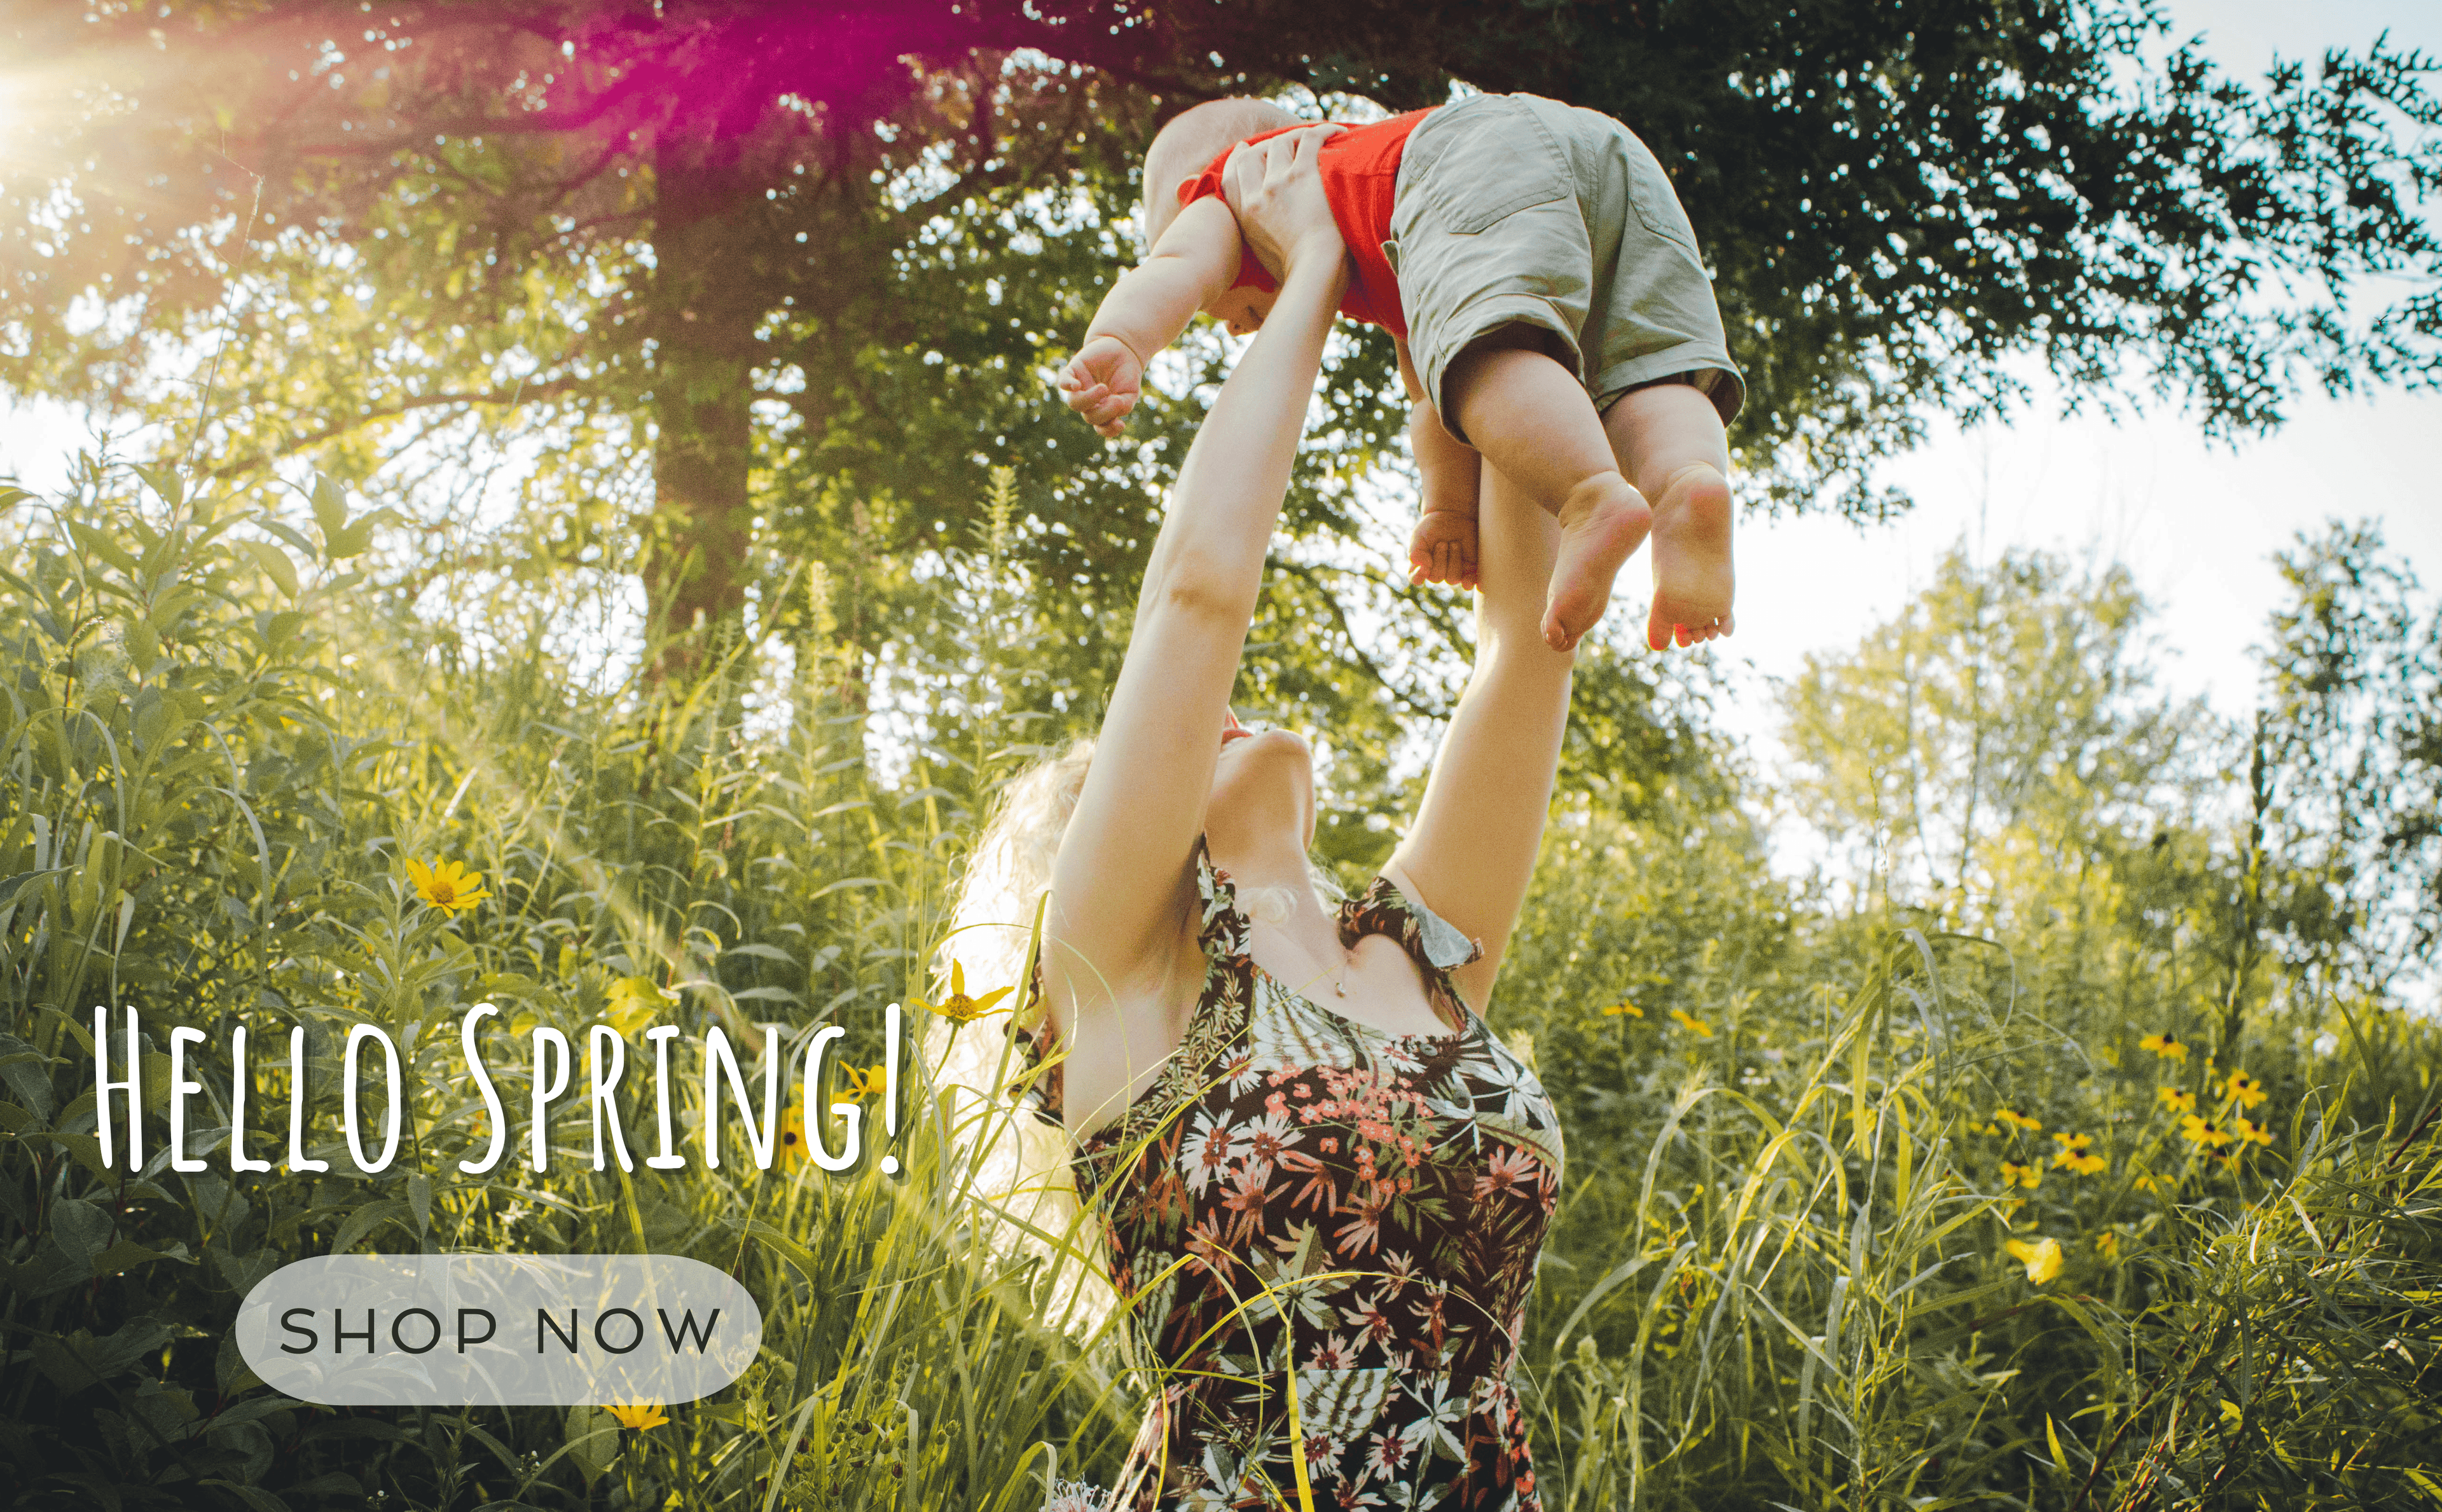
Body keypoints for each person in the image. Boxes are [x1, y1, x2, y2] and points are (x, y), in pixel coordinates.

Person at [970, 127, 1571, 1511]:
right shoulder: (1121, 964)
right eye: (1197, 726)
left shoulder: (1417, 957)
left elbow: (1531, 653)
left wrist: (1477, 290)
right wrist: (1307, 271)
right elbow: (1199, 590)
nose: (1222, 709)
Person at [1056, 92, 1742, 656]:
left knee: (1486, 360)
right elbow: (1432, 398)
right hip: (1606, 150)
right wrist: (1447, 510)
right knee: (1643, 366)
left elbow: (1174, 269)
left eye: (1220, 310)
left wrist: (1121, 339)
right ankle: (1686, 484)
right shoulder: (1392, 233)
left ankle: (1591, 493)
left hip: (1470, 153)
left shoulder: (1238, 186)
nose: (1234, 324)